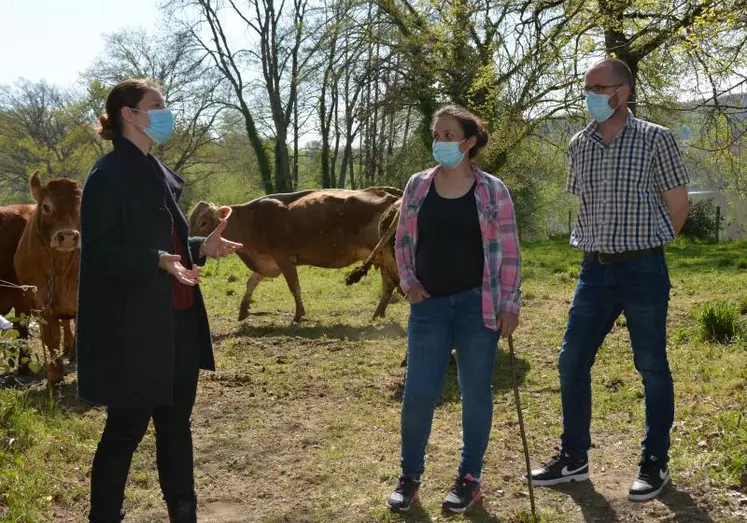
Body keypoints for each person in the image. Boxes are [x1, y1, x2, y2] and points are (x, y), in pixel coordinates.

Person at [76, 78, 242, 523]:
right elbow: (99, 253)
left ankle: (183, 515)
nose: (167, 112)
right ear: (130, 114)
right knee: (124, 432)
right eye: (158, 105)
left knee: (175, 427)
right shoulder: (107, 176)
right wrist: (157, 260)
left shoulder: (156, 170)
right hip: (135, 330)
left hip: (178, 323)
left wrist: (200, 247)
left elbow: (168, 243)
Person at [529, 58, 690, 501]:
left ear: (624, 92)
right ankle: (574, 458)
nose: (591, 96)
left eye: (600, 87)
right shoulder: (578, 144)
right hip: (593, 269)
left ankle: (654, 460)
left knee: (651, 367)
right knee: (571, 361)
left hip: (643, 268)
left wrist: (648, 246)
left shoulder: (657, 139)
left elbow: (679, 206)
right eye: (587, 88)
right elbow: (584, 204)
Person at [387, 105, 522, 513]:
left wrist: (510, 304)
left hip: (478, 307)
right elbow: (403, 241)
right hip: (428, 306)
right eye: (436, 134)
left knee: (476, 392)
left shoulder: (493, 190)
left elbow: (511, 251)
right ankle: (409, 477)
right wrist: (408, 284)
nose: (440, 141)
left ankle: (469, 479)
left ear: (468, 141)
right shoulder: (417, 185)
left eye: (448, 134)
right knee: (418, 393)